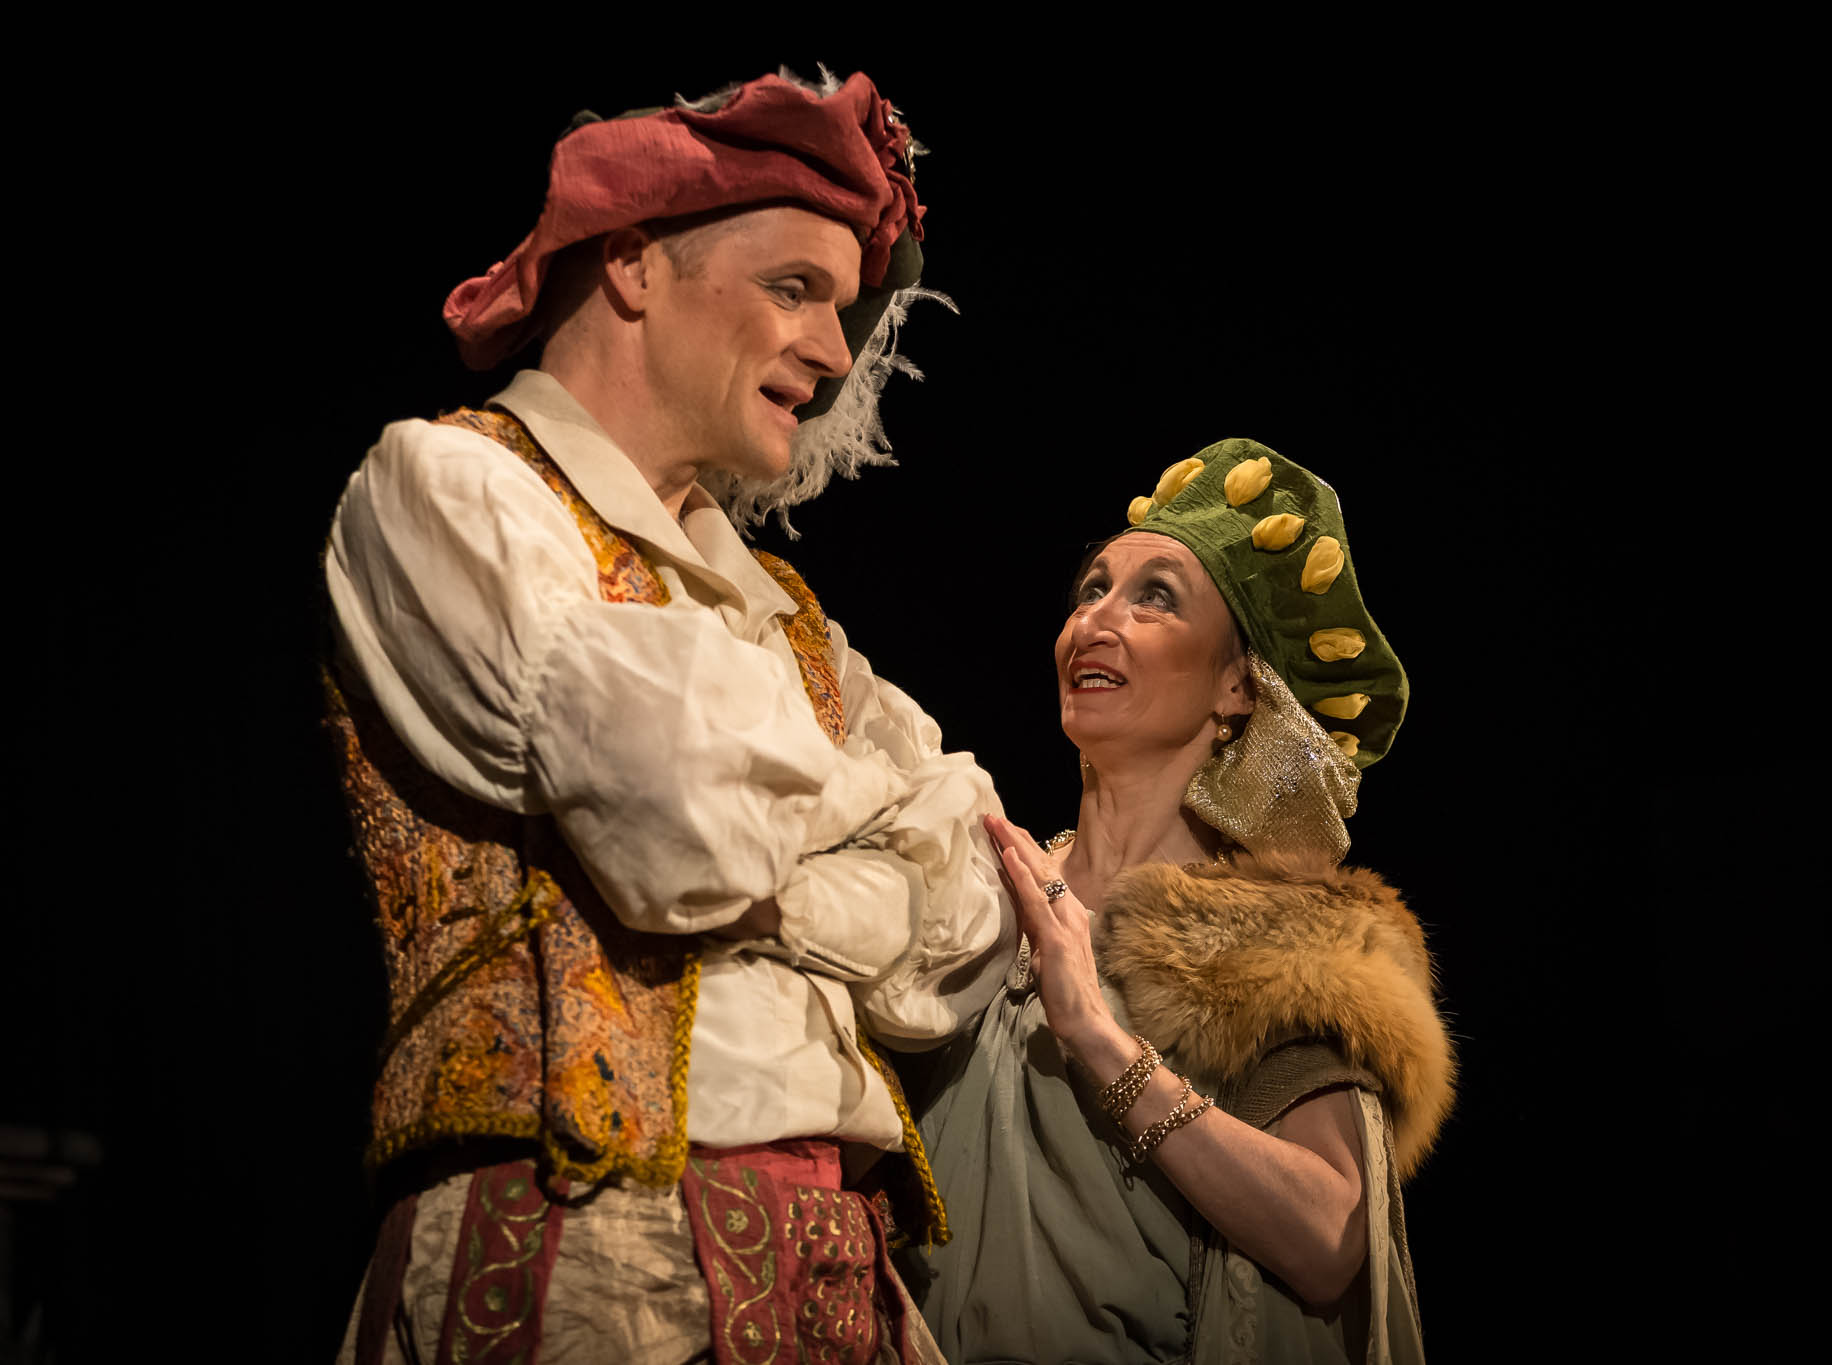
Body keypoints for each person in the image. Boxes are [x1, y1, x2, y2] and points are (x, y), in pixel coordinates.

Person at [324, 69, 1012, 1364]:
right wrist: (858, 829)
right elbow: (683, 816)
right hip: (584, 1234)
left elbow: (972, 896)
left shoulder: (787, 618)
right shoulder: (450, 484)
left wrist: (782, 856)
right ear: (634, 262)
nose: (834, 351)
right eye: (793, 288)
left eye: (841, 309)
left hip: (846, 1262)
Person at [904, 440, 1456, 1364]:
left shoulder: (1285, 938)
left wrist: (1098, 1037)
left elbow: (1330, 1236)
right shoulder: (981, 885)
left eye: (1154, 597)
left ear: (1238, 685)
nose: (1096, 620)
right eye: (1091, 590)